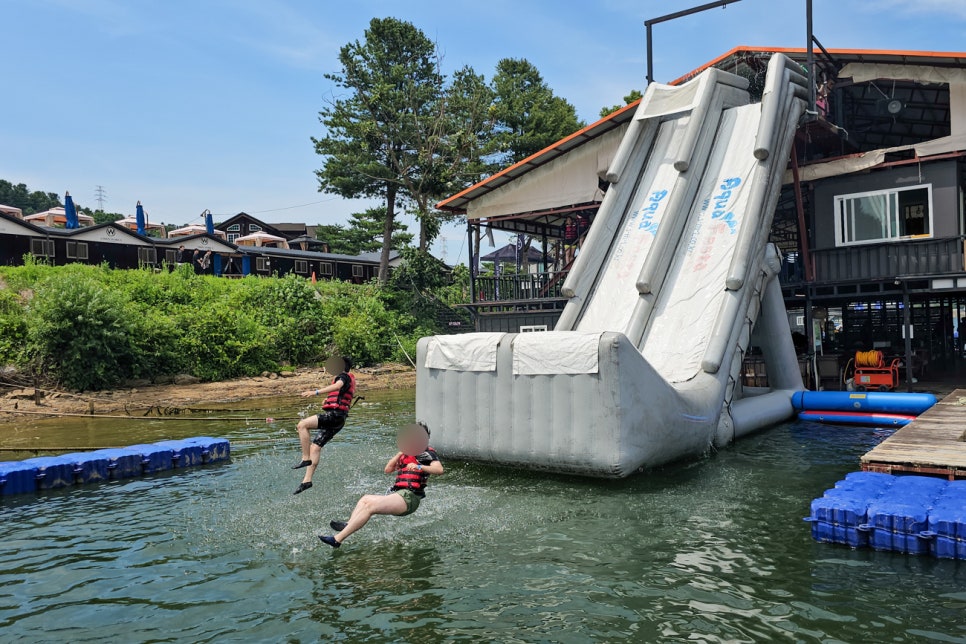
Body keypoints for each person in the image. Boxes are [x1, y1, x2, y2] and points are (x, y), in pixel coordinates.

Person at [319, 422, 443, 548]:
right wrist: (399, 454)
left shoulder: (426, 452)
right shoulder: (406, 454)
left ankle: (337, 540)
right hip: (400, 495)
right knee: (365, 499)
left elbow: (439, 470)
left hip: (410, 497)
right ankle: (349, 524)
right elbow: (388, 470)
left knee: (370, 507)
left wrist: (419, 466)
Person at [291, 356, 356, 494]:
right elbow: (339, 391)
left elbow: (338, 386)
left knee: (302, 425)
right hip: (339, 420)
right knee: (315, 447)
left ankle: (305, 458)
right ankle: (307, 480)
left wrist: (315, 392)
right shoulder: (344, 378)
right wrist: (326, 400)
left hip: (334, 416)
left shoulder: (343, 376)